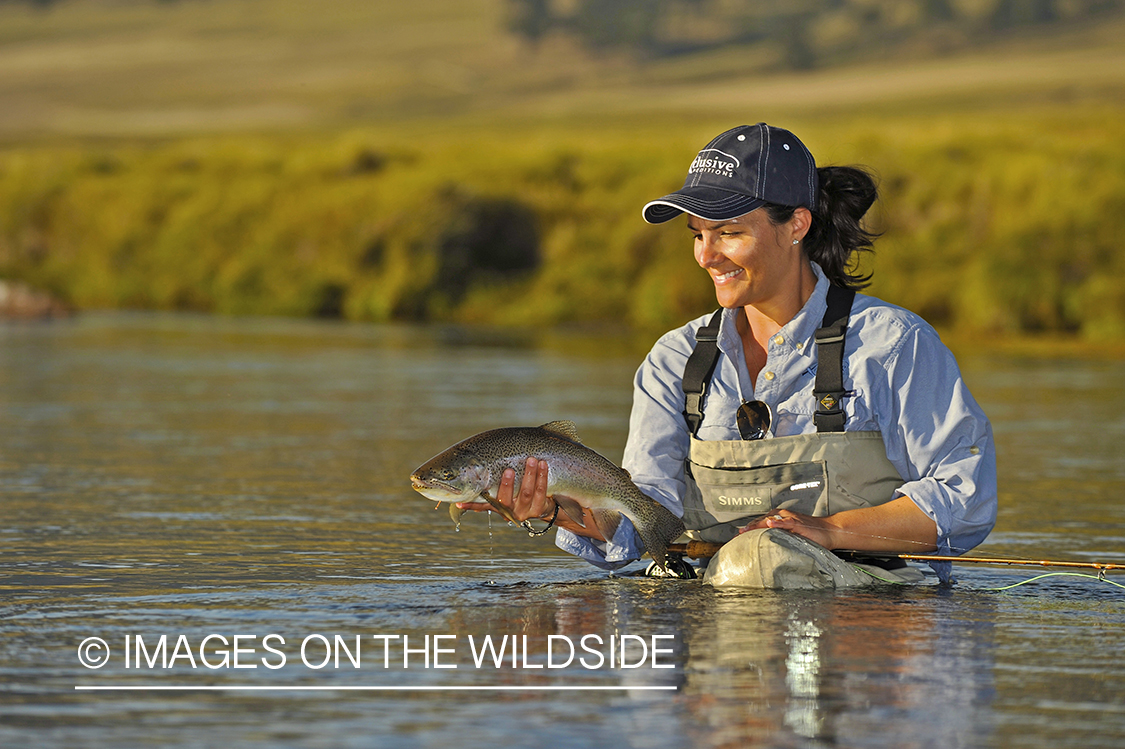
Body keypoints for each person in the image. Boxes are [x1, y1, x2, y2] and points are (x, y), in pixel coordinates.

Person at [458, 123, 997, 586]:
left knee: (762, 561)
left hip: (871, 635)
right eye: (697, 236)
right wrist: (558, 511)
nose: (707, 256)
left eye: (729, 233)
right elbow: (645, 523)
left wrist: (826, 531)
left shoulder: (891, 344)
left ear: (797, 226)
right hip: (718, 645)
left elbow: (965, 496)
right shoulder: (673, 362)